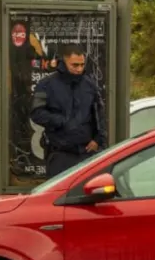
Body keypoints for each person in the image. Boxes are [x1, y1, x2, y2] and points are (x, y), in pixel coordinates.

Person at [30, 44, 107, 177]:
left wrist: (98, 140)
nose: (79, 69)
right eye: (75, 65)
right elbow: (36, 113)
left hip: (86, 153)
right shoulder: (46, 84)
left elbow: (99, 113)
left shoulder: (89, 85)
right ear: (64, 63)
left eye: (82, 65)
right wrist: (62, 121)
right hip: (59, 154)